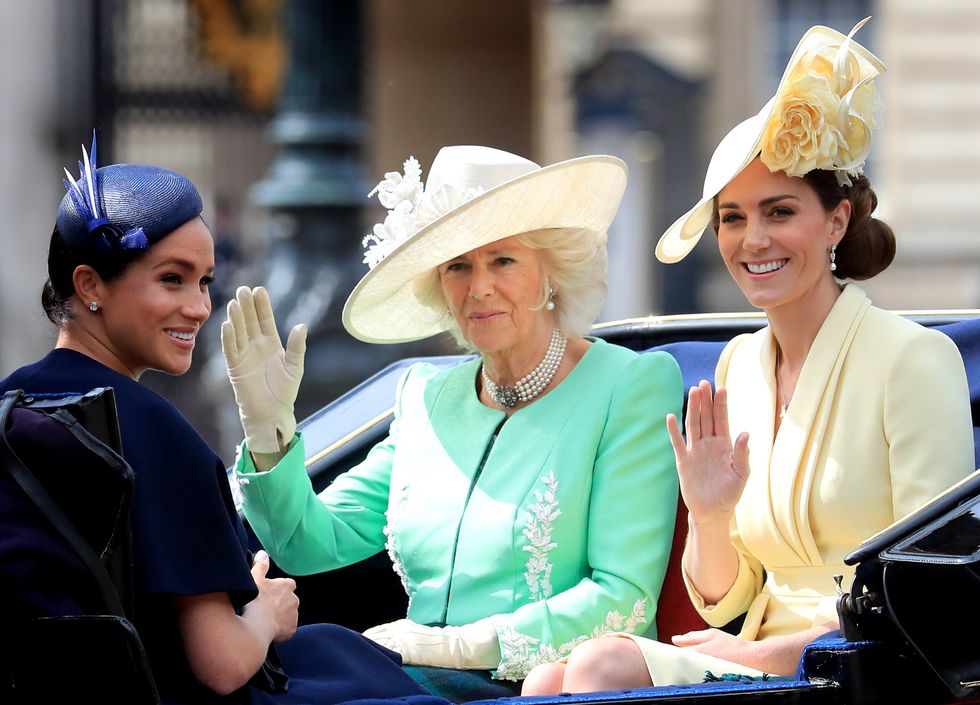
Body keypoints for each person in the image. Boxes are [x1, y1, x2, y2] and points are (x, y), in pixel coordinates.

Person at [521, 19, 976, 694]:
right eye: (732, 217)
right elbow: (725, 600)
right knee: (542, 681)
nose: (752, 239)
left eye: (779, 210)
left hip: (864, 666)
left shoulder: (915, 359)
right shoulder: (738, 365)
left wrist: (777, 652)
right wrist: (708, 513)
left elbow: (928, 591)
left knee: (595, 667)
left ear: (837, 221)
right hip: (762, 664)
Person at [0, 136, 445, 705]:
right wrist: (265, 612)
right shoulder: (151, 429)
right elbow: (223, 664)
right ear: (90, 286)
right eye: (172, 279)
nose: (199, 306)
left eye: (205, 281)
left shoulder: (13, 404)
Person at [223, 145, 684, 686]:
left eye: (503, 260)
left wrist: (458, 645)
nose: (478, 286)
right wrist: (267, 429)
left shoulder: (629, 386)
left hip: (534, 687)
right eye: (457, 266)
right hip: (410, 678)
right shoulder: (425, 397)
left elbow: (623, 596)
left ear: (551, 272)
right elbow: (305, 542)